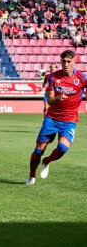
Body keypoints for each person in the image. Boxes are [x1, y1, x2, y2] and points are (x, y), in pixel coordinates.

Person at [26, 50, 87, 185]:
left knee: (62, 148)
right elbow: (50, 100)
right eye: (63, 61)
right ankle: (31, 175)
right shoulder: (53, 77)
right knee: (38, 149)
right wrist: (58, 98)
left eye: (68, 61)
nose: (65, 64)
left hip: (69, 120)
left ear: (74, 61)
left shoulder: (82, 78)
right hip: (52, 119)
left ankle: (47, 161)